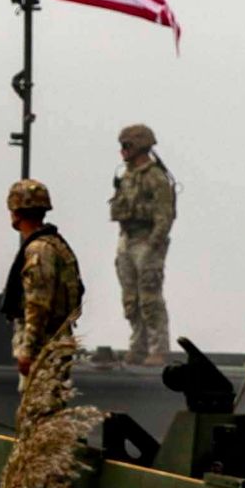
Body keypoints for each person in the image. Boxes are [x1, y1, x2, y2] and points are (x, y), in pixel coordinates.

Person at [0, 178, 85, 488]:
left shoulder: (38, 250)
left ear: (16, 212)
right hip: (56, 344)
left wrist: (29, 349)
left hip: (45, 347)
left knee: (41, 421)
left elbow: (37, 304)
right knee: (47, 419)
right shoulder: (56, 245)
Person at [106, 122, 176, 366]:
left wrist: (154, 244)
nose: (123, 151)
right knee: (130, 298)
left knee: (149, 297)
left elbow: (164, 216)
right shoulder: (126, 176)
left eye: (126, 146)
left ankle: (158, 348)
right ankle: (138, 345)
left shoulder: (156, 178)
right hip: (127, 239)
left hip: (147, 241)